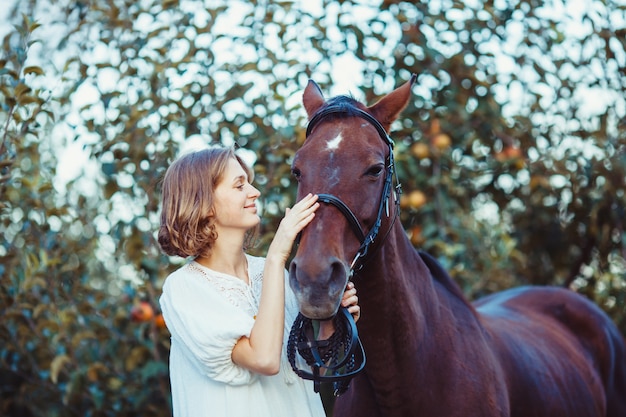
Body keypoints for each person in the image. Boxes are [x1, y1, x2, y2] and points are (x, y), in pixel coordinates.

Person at [157, 146, 360, 417]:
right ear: (203, 203)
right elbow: (263, 359)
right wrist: (278, 254)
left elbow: (304, 370)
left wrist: (330, 325)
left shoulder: (270, 273)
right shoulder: (183, 288)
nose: (255, 192)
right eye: (239, 185)